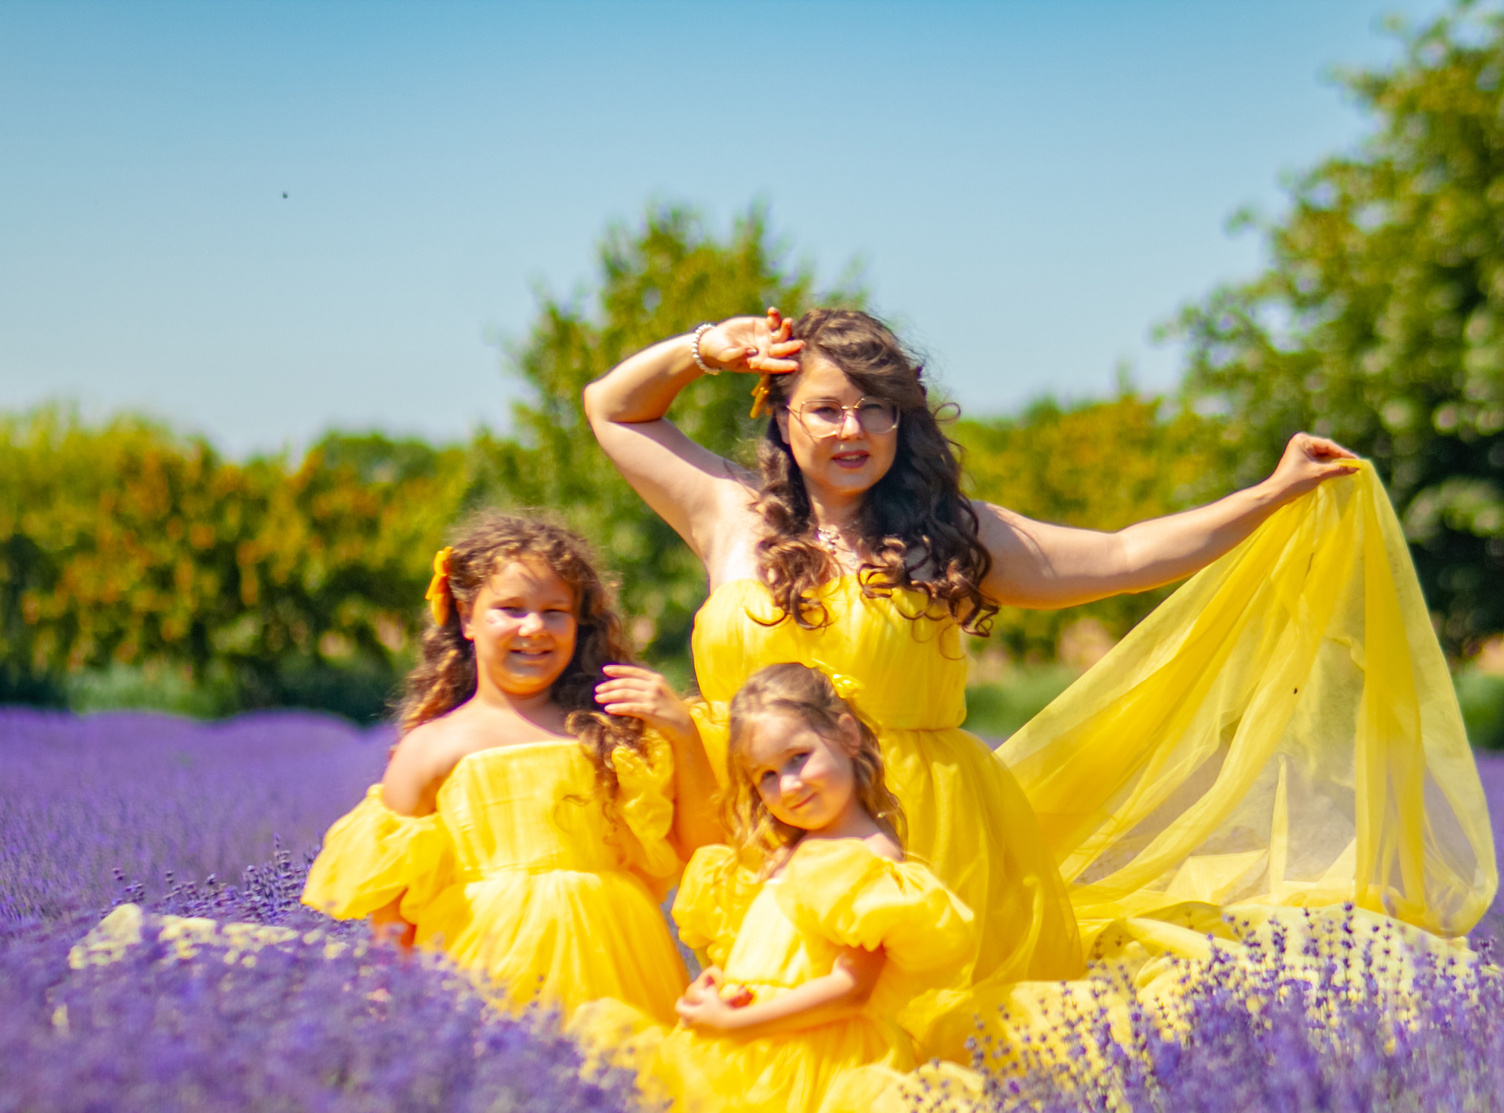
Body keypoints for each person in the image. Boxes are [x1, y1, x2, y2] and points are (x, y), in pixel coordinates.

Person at [582, 308, 1372, 1056]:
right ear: (782, 417)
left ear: (904, 421)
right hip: (761, 818)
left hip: (927, 834)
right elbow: (613, 408)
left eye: (876, 408)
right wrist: (708, 348)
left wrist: (1272, 492)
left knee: (922, 1053)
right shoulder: (728, 512)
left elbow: (1128, 555)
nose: (853, 429)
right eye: (826, 409)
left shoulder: (945, 533)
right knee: (773, 1037)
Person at [583, 663, 977, 1113]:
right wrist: (720, 984)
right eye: (766, 776)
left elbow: (851, 989)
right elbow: (767, 948)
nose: (788, 786)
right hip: (745, 1054)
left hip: (813, 1066)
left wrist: (736, 1022)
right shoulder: (791, 851)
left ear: (846, 735)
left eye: (798, 758)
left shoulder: (867, 857)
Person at [300, 509, 718, 1019]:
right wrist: (392, 1004)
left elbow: (704, 851)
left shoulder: (613, 732)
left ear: (579, 622)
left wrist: (684, 734)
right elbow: (391, 906)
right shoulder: (430, 748)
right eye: (511, 608)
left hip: (621, 964)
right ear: (467, 616)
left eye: (555, 611)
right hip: (485, 967)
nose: (534, 627)